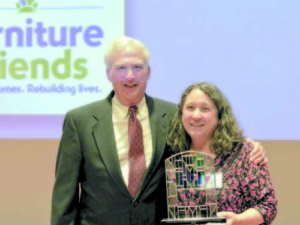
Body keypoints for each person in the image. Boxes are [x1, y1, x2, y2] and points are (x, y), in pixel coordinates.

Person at [51, 37, 267, 225]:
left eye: (137, 67)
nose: (130, 76)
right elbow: (65, 197)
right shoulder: (80, 121)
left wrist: (246, 145)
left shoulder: (175, 115)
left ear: (148, 71)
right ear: (108, 73)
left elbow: (208, 138)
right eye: (121, 68)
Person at [167, 82, 277, 225]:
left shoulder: (244, 153)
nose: (196, 115)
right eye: (190, 108)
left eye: (205, 109)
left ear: (219, 115)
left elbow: (268, 206)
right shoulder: (173, 152)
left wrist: (238, 220)